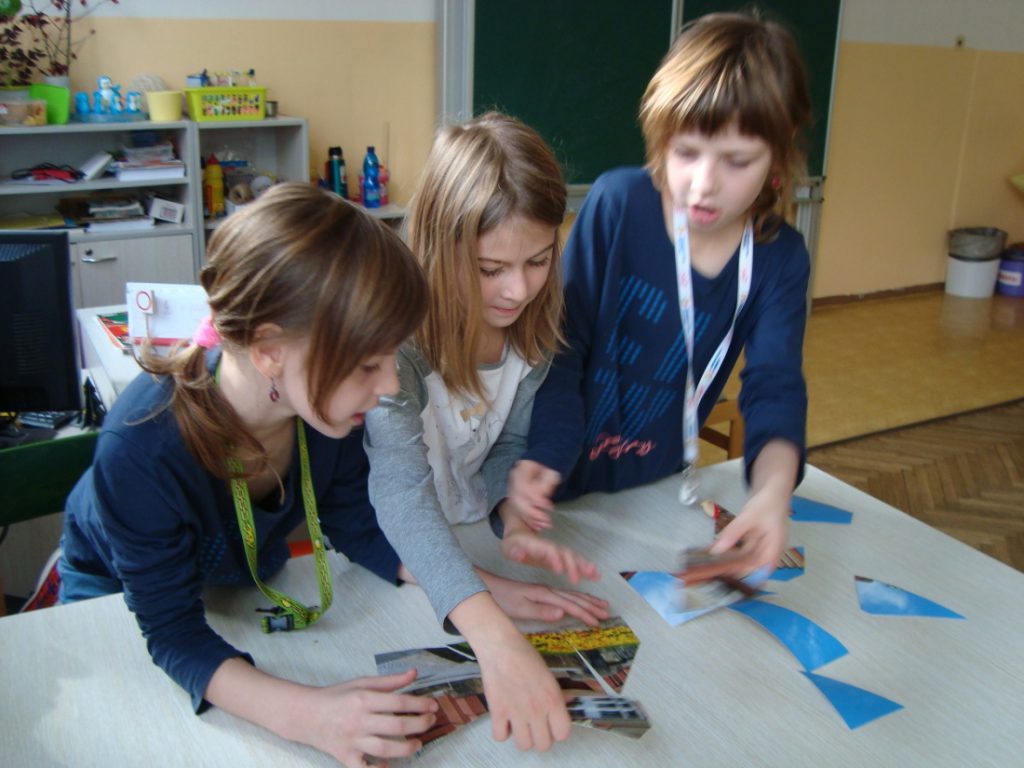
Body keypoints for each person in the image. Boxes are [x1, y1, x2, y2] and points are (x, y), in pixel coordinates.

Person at [58, 183, 439, 767]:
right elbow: (171, 633)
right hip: (111, 597)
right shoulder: (139, 449)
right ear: (268, 350)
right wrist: (310, 715)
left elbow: (358, 526)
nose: (389, 384)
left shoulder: (323, 408)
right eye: (368, 364)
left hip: (233, 581)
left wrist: (461, 584)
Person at [510, 12, 813, 576]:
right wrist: (546, 453)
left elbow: (775, 388)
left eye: (737, 161)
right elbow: (564, 346)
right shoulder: (618, 205)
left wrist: (772, 495)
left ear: (779, 151)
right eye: (686, 152)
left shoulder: (779, 257)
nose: (703, 183)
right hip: (553, 481)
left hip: (653, 486)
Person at [363, 113, 608, 753]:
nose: (517, 288)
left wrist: (513, 517)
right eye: (490, 267)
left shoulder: (534, 325)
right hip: (378, 557)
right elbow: (398, 492)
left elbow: (505, 444)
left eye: (538, 260)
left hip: (461, 544)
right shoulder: (395, 342)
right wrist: (492, 630)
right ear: (440, 247)